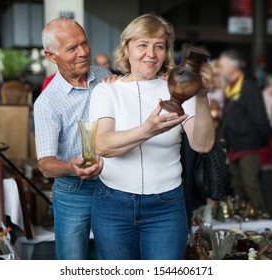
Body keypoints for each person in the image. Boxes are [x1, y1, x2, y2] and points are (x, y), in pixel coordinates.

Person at [89, 14, 215, 260]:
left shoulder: (178, 89)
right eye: (142, 45)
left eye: (159, 46)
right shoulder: (107, 90)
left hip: (166, 206)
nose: (151, 53)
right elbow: (102, 145)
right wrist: (148, 129)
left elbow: (203, 144)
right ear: (126, 47)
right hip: (113, 202)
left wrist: (201, 96)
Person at [33, 17, 111, 260]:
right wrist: (71, 167)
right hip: (73, 189)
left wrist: (120, 85)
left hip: (112, 184)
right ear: (51, 56)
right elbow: (45, 165)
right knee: (71, 262)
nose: (83, 53)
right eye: (72, 48)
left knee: (112, 260)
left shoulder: (104, 76)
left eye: (84, 43)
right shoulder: (47, 103)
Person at [217, 49, 270, 214]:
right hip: (233, 144)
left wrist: (260, 141)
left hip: (248, 144)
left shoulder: (249, 87)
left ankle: (262, 219)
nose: (218, 69)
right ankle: (243, 218)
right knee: (237, 185)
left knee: (250, 184)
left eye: (221, 66)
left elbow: (260, 118)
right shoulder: (230, 87)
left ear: (232, 67)